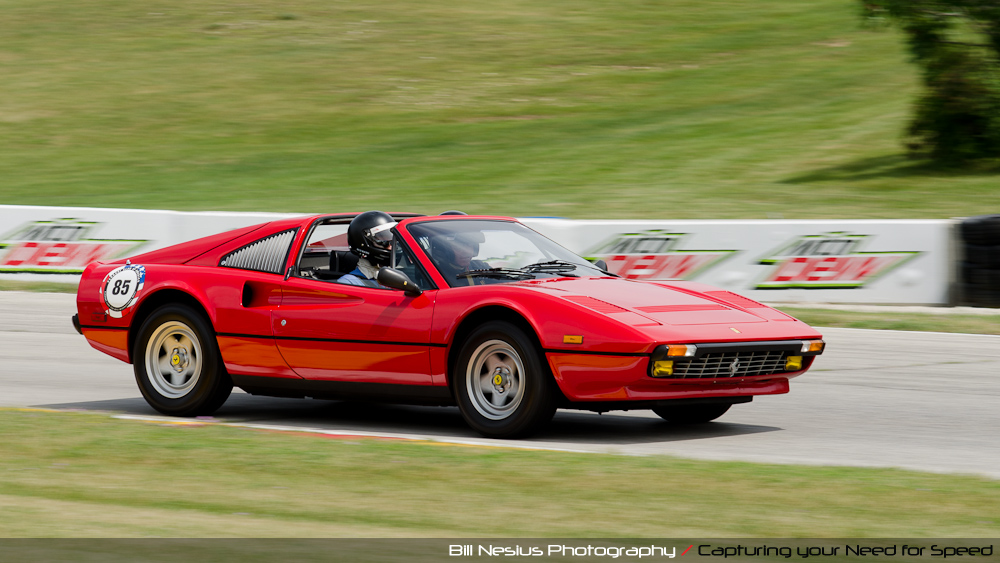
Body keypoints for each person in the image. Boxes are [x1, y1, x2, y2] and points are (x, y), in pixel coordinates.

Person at [339, 211, 396, 287]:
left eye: (392, 241)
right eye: (384, 241)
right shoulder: (348, 283)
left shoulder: (397, 276)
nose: (390, 247)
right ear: (363, 243)